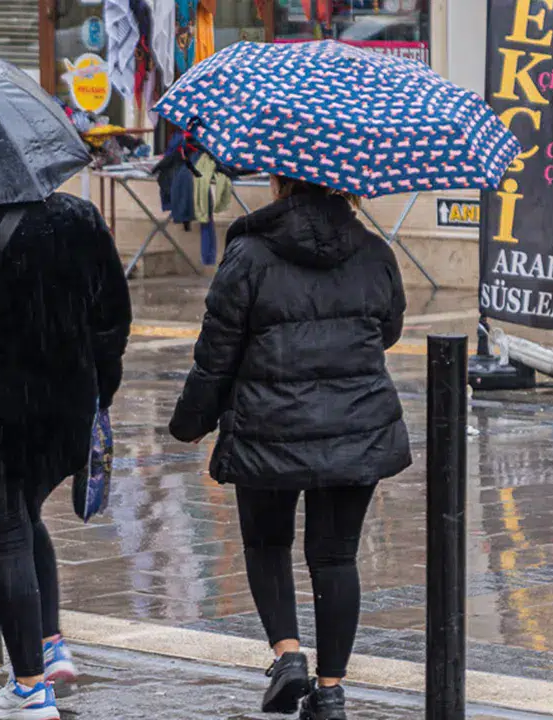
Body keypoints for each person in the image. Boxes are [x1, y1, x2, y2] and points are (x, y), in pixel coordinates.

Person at [169, 176, 411, 720]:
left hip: (268, 425)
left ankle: (288, 655)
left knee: (266, 544)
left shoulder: (249, 255)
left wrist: (191, 422)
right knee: (336, 556)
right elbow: (388, 329)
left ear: (279, 180)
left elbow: (217, 353)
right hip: (357, 423)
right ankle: (331, 692)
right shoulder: (374, 251)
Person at [0, 194, 132, 720]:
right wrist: (100, 391)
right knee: (25, 518)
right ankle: (48, 642)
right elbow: (112, 317)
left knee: (6, 535)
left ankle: (29, 689)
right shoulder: (79, 217)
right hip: (60, 408)